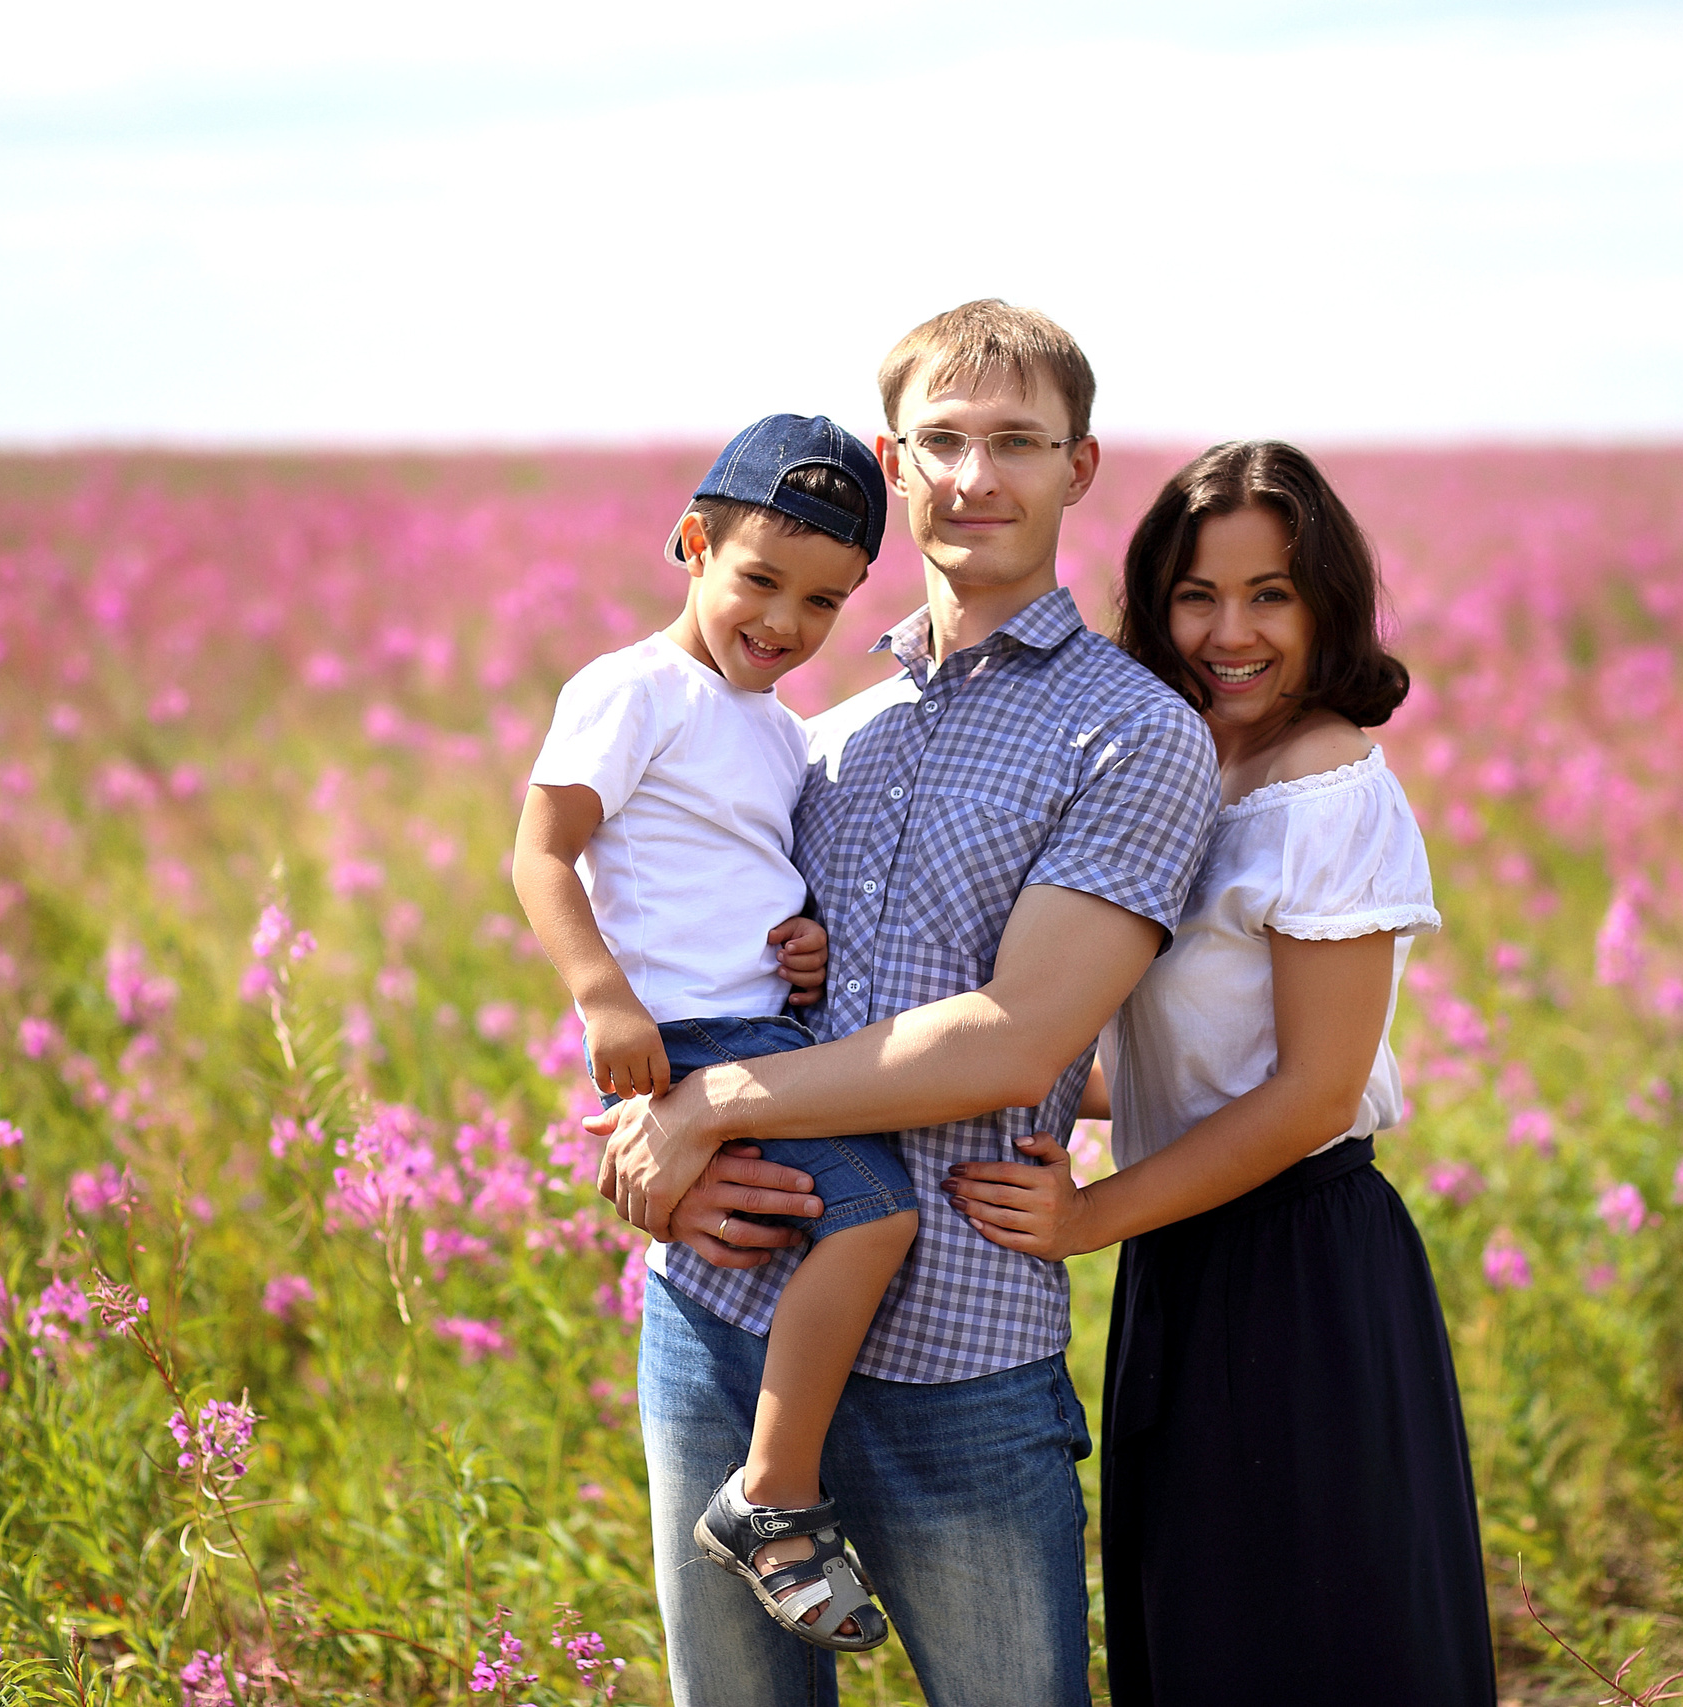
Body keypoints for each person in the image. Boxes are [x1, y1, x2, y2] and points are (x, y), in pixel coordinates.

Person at [592, 301, 1218, 1706]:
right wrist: (652, 1153)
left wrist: (719, 1103)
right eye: (940, 440)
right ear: (893, 458)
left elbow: (1020, 1036)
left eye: (1017, 442)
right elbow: (684, 963)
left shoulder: (1131, 734)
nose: (974, 476)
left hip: (963, 1356)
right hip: (720, 1312)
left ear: (1082, 465)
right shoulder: (815, 731)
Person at [942, 440, 1499, 1704]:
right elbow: (1174, 1062)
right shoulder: (1190, 763)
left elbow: (1308, 1093)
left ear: (1327, 606)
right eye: (1198, 594)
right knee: (1202, 1634)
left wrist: (1087, 1217)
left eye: (1271, 595)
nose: (1228, 632)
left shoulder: (1326, 780)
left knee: (1312, 1641)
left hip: (1298, 1265)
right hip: (1187, 1249)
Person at [510, 414, 916, 1652]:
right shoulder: (632, 689)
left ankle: (777, 1481)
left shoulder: (780, 727)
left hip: (755, 1024)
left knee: (822, 1218)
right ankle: (772, 1499)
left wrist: (801, 941)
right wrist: (602, 995)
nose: (785, 623)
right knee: (875, 1211)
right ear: (692, 542)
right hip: (686, 1037)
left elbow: (742, 873)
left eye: (823, 602)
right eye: (758, 580)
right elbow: (539, 851)